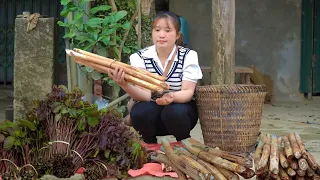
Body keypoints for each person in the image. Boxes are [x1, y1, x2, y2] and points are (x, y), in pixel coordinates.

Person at [107, 11, 203, 144]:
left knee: (174, 111)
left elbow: (188, 92)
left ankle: (184, 144)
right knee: (141, 111)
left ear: (177, 35)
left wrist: (172, 97)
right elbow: (145, 96)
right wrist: (124, 84)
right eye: (157, 30)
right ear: (152, 32)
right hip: (153, 118)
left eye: (168, 30)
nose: (161, 35)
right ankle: (149, 144)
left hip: (180, 116)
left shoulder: (188, 56)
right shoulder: (140, 57)